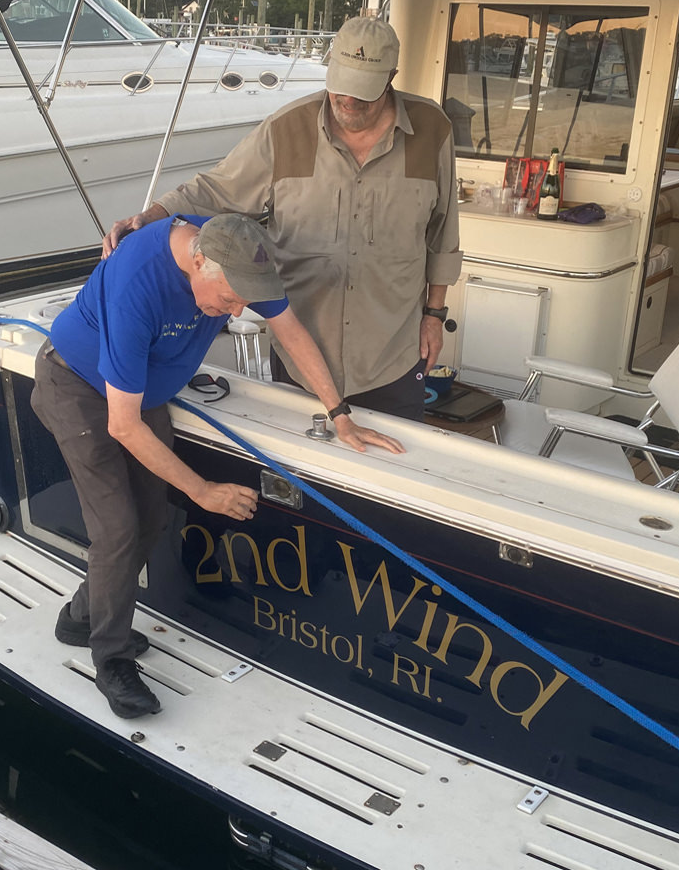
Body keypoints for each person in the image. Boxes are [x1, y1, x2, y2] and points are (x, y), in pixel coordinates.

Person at [34, 213, 403, 719]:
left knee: (152, 520)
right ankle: (111, 659)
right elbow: (122, 426)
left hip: (139, 391)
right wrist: (203, 490)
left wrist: (339, 415)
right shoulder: (137, 284)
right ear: (196, 260)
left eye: (242, 302)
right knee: (117, 528)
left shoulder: (240, 254)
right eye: (228, 300)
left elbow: (289, 331)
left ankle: (81, 617)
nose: (233, 311)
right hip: (77, 385)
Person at [103, 16, 462, 421]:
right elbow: (216, 190)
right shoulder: (287, 128)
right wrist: (151, 215)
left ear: (391, 77)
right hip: (300, 355)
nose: (347, 102)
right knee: (297, 477)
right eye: (341, 87)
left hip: (393, 356)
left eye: (362, 95)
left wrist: (434, 316)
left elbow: (443, 236)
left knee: (392, 475)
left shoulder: (434, 130)